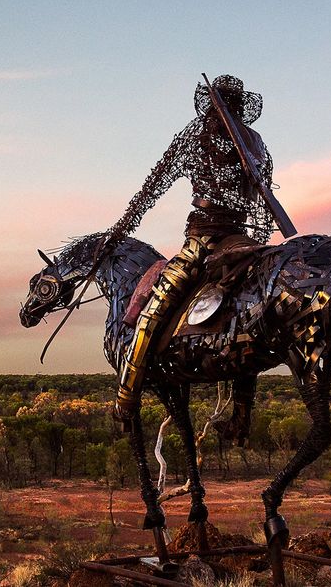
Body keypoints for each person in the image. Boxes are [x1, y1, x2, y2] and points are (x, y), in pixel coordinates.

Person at [105, 74, 276, 425]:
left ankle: (127, 395)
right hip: (243, 238)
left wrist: (119, 231)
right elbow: (262, 205)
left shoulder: (207, 137)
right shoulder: (252, 141)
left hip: (208, 237)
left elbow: (152, 189)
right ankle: (242, 414)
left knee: (156, 305)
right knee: (250, 314)